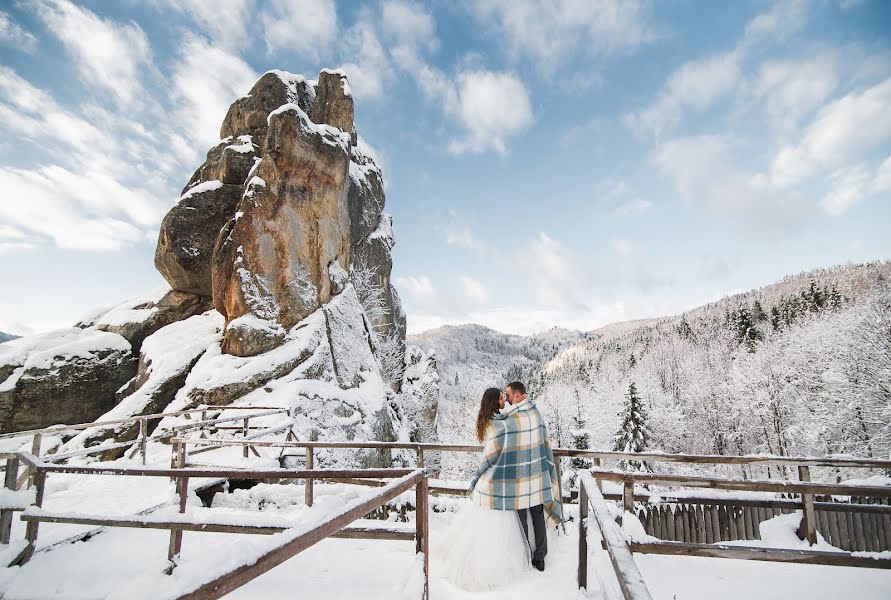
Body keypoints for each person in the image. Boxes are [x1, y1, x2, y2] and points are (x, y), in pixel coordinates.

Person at [433, 388, 533, 591]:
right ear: (495, 402)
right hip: (496, 481)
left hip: (493, 481)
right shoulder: (498, 425)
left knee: (482, 525)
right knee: (494, 528)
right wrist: (476, 476)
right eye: (501, 397)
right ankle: (486, 567)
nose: (505, 399)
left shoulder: (492, 422)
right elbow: (489, 456)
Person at [470, 381, 562, 572]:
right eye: (505, 396)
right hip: (535, 476)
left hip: (518, 480)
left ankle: (526, 555)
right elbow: (543, 445)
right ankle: (540, 557)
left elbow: (499, 443)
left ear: (519, 395)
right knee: (536, 515)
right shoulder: (536, 415)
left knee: (521, 518)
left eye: (509, 395)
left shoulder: (512, 420)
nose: (508, 398)